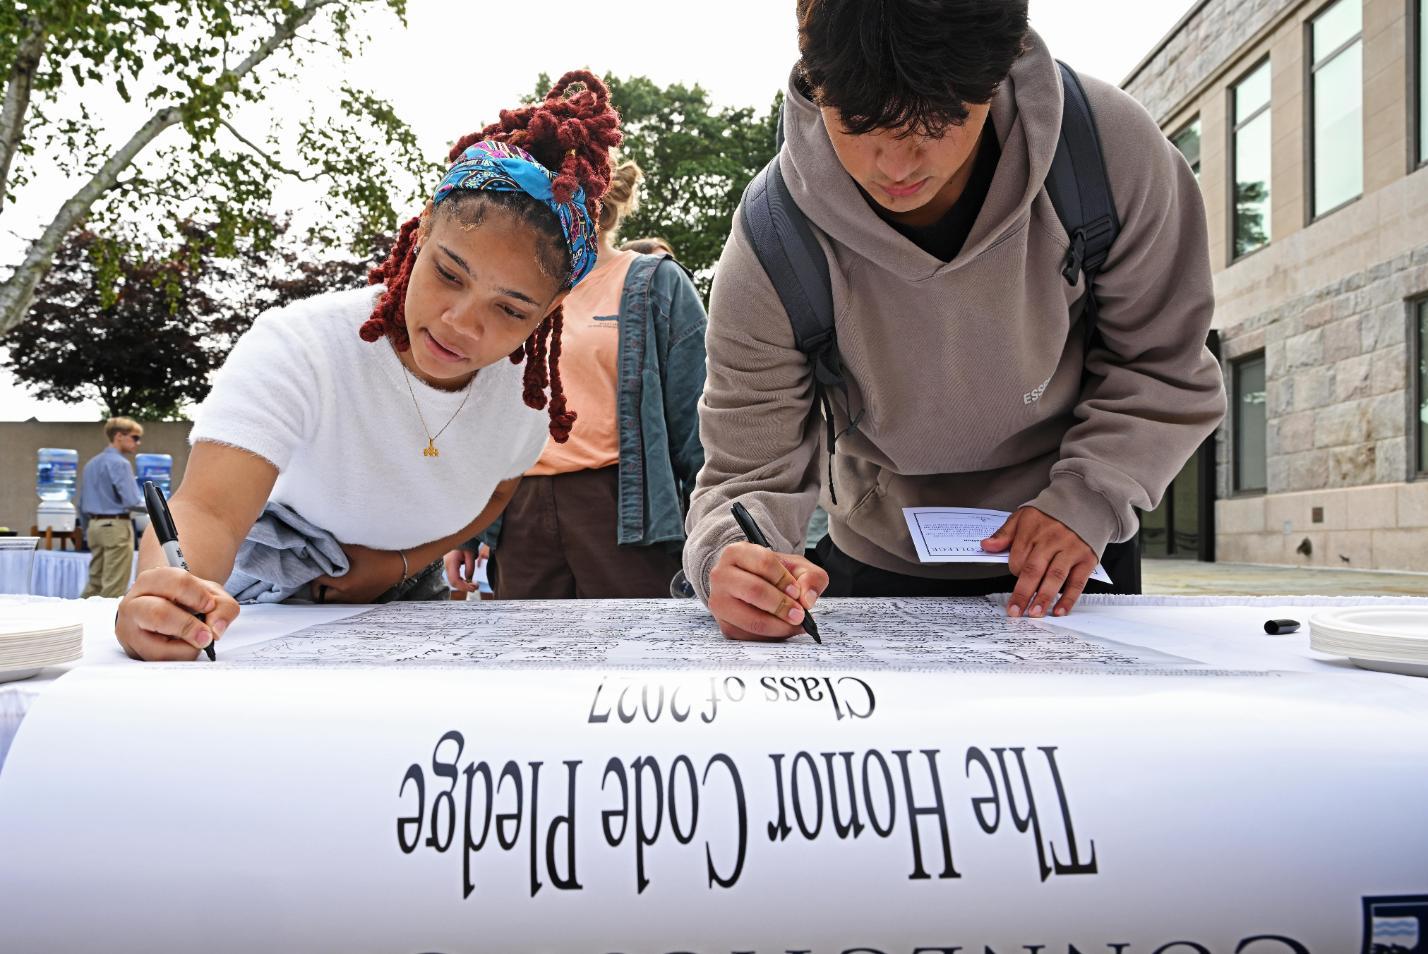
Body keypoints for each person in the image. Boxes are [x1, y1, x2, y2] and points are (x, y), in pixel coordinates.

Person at [683, 0, 1226, 641]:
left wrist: (1088, 497)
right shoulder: (773, 241)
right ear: (814, 81)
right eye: (858, 124)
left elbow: (1163, 363)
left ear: (1001, 66)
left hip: (1075, 544)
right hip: (874, 555)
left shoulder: (1110, 154)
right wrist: (731, 558)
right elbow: (747, 470)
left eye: (936, 122)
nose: (897, 167)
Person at [115, 71, 622, 660]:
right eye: (449, 274)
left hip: (415, 613)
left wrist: (399, 563)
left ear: (550, 312)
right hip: (254, 605)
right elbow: (208, 509)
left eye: (510, 309)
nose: (460, 323)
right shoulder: (300, 348)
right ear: (424, 229)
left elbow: (498, 490)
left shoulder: (525, 400)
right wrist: (168, 597)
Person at [447, 161, 709, 598]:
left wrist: (719, 534)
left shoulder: (655, 284)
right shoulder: (512, 293)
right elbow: (480, 415)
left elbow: (696, 425)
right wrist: (466, 531)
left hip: (625, 511)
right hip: (519, 512)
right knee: (529, 660)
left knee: (637, 655)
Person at [78, 416, 145, 598]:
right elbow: (131, 501)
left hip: (94, 527)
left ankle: (81, 620)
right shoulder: (120, 463)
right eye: (135, 437)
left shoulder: (91, 464)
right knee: (113, 587)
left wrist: (87, 530)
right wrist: (159, 507)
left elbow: (81, 503)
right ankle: (105, 626)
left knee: (94, 584)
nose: (138, 443)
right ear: (119, 436)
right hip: (116, 527)